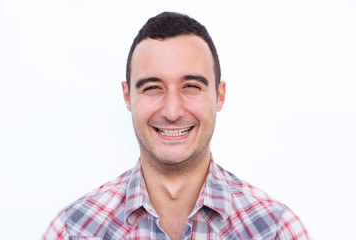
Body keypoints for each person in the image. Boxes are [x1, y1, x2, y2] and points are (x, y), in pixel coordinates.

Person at [42, 12, 311, 240]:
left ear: (220, 95)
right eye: (153, 88)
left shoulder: (276, 230)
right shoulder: (73, 230)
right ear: (127, 97)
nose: (172, 112)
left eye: (191, 86)